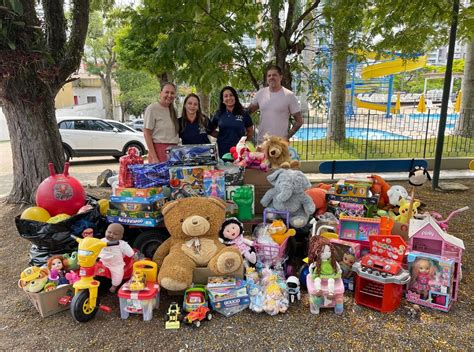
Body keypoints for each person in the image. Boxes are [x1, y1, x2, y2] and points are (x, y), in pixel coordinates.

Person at [248, 65, 303, 144]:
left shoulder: (289, 95)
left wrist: (287, 137)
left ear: (281, 77)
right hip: (262, 142)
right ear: (267, 79)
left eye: (274, 75)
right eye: (269, 75)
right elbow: (248, 111)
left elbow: (299, 121)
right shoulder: (261, 94)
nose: (271, 77)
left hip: (280, 143)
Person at [210, 86, 254, 158]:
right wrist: (221, 136)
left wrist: (243, 142)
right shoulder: (218, 114)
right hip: (223, 150)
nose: (229, 98)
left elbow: (250, 131)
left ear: (235, 97)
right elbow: (211, 130)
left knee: (240, 168)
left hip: (239, 151)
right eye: (226, 96)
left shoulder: (243, 113)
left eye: (231, 95)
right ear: (223, 100)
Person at [143, 83, 179, 163]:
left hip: (173, 152)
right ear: (161, 93)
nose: (169, 95)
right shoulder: (152, 108)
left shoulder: (174, 110)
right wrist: (154, 157)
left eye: (172, 93)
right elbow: (147, 133)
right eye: (167, 92)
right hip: (158, 153)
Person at [99, 223, 134, 293]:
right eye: (109, 232)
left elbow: (130, 253)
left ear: (121, 236)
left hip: (115, 264)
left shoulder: (122, 244)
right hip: (101, 261)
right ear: (105, 231)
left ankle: (114, 286)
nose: (111, 235)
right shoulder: (101, 241)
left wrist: (134, 256)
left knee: (118, 274)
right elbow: (94, 248)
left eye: (115, 234)